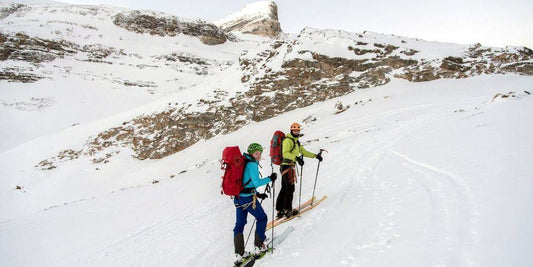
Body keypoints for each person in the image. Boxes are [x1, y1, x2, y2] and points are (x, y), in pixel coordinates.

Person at [233, 143, 277, 263]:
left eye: (260, 153)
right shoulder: (251, 164)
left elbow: (246, 182)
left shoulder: (243, 163)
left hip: (238, 199)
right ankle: (259, 246)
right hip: (247, 198)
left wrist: (258, 194)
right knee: (262, 218)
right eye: (256, 153)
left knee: (239, 225)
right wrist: (270, 178)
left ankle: (239, 254)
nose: (259, 155)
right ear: (251, 153)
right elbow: (256, 182)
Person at [275, 123, 323, 218]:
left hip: (289, 166)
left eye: (297, 130)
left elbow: (304, 152)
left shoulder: (296, 142)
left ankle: (280, 210)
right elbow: (285, 154)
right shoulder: (288, 141)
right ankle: (287, 210)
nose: (296, 132)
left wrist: (316, 156)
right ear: (291, 131)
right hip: (286, 166)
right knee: (289, 188)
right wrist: (296, 158)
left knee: (285, 188)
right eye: (294, 130)